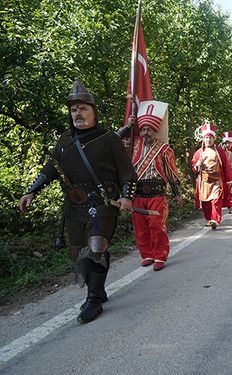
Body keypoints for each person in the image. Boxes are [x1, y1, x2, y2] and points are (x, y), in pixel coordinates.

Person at [19, 79, 136, 323]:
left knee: (96, 246)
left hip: (102, 203)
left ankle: (93, 299)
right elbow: (50, 170)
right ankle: (99, 289)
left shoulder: (108, 139)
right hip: (73, 206)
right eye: (73, 110)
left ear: (94, 111)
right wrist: (31, 191)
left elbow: (127, 171)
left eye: (82, 108)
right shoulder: (65, 140)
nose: (77, 114)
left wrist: (126, 195)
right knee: (79, 252)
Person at [121, 101, 183, 271]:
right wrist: (128, 126)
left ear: (155, 131)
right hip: (137, 193)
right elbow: (114, 141)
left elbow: (171, 173)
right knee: (141, 227)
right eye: (143, 129)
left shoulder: (164, 149)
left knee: (156, 225)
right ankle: (147, 254)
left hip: (157, 193)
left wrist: (177, 193)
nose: (145, 132)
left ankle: (160, 255)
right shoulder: (133, 146)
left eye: (149, 129)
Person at [192, 122, 232, 229]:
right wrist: (196, 166)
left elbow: (225, 165)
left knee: (216, 199)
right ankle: (209, 219)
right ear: (203, 139)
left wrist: (229, 179)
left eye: (210, 137)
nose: (208, 140)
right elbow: (194, 165)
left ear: (214, 139)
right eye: (206, 138)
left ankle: (215, 219)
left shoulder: (219, 151)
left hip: (217, 179)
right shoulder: (198, 152)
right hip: (205, 180)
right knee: (206, 202)